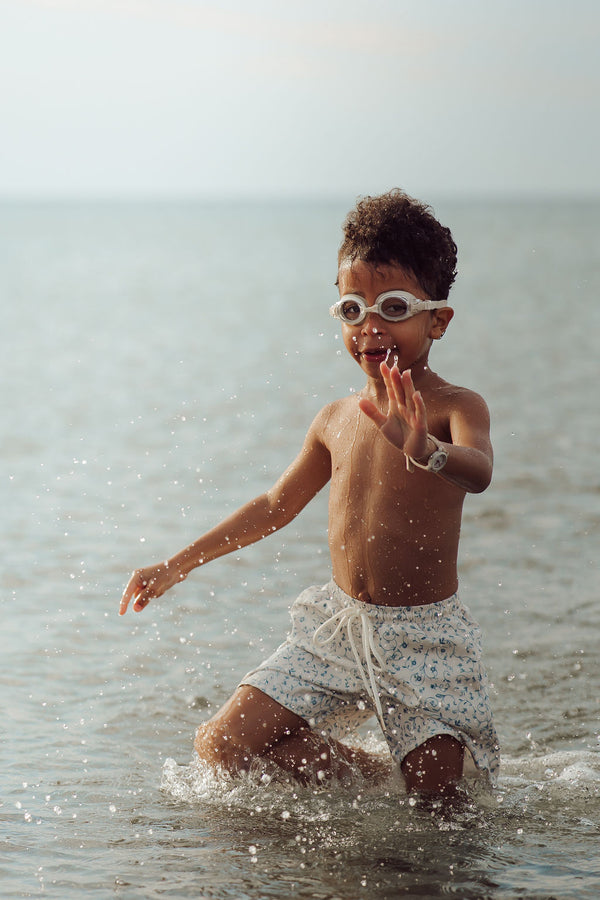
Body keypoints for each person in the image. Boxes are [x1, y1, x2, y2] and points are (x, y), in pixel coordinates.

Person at [119, 189, 500, 798]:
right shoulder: (335, 418)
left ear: (438, 320)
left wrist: (423, 448)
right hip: (340, 629)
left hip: (426, 637)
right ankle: (372, 779)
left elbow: (477, 470)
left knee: (444, 813)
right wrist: (177, 563)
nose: (370, 327)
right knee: (221, 745)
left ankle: (414, 777)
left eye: (393, 307)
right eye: (353, 310)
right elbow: (274, 507)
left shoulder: (454, 407)